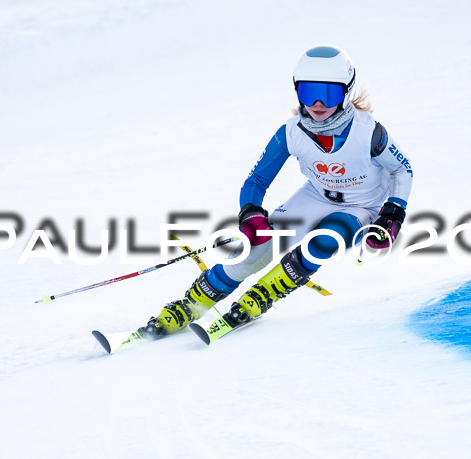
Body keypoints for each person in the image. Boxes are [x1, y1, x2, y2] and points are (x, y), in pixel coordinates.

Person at [139, 45, 413, 339]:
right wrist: (252, 214)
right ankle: (191, 304)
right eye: (308, 93)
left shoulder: (368, 132)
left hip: (362, 206)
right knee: (256, 250)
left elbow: (402, 170)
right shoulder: (292, 132)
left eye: (329, 94)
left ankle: (263, 294)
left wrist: (392, 214)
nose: (318, 104)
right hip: (315, 196)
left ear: (346, 92)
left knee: (324, 241)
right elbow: (257, 179)